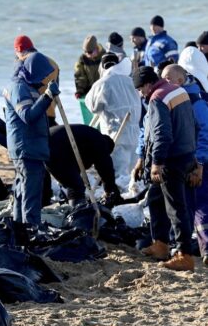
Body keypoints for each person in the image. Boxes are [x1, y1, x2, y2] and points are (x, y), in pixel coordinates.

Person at [133, 66, 195, 271]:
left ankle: (184, 255)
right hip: (185, 153)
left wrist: (157, 163)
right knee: (155, 199)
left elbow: (161, 134)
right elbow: (191, 124)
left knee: (176, 208)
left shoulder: (158, 98)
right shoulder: (178, 90)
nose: (141, 93)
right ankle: (160, 244)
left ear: (148, 84)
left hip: (171, 159)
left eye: (140, 88)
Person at [5, 47, 60, 227]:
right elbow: (27, 116)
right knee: (31, 194)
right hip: (26, 148)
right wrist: (47, 96)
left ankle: (20, 230)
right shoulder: (19, 88)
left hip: (29, 147)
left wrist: (46, 96)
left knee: (22, 191)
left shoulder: (28, 87)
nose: (43, 79)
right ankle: (31, 231)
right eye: (41, 75)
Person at [165, 60, 208, 264]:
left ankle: (205, 249)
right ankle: (186, 249)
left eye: (168, 79)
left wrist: (199, 162)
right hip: (186, 160)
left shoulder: (194, 101)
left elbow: (205, 132)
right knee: (188, 204)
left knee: (200, 204)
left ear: (180, 80)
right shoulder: (179, 96)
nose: (164, 83)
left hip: (199, 161)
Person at [85, 52, 142, 190]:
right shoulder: (130, 80)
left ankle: (120, 205)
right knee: (133, 174)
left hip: (115, 134)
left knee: (118, 175)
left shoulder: (102, 83)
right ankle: (134, 199)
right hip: (134, 133)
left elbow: (92, 106)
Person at [47, 124, 120, 206]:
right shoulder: (100, 143)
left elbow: (75, 166)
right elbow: (106, 168)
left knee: (41, 182)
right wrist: (110, 190)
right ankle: (77, 214)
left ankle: (41, 208)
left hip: (41, 140)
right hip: (56, 146)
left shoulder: (86, 139)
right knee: (76, 186)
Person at [74, 35, 103, 124]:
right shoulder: (82, 59)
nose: (88, 55)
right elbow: (80, 76)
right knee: (91, 120)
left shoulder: (104, 56)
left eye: (90, 52)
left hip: (102, 91)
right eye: (86, 52)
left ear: (96, 49)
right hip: (89, 91)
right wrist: (79, 90)